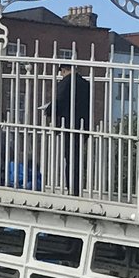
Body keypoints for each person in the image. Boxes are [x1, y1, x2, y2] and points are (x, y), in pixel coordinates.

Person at [51, 63, 94, 195]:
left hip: (68, 126)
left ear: (64, 70)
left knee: (68, 159)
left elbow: (58, 102)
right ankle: (77, 187)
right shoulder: (85, 84)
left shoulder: (65, 83)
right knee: (77, 159)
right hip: (82, 126)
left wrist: (48, 111)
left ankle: (71, 189)